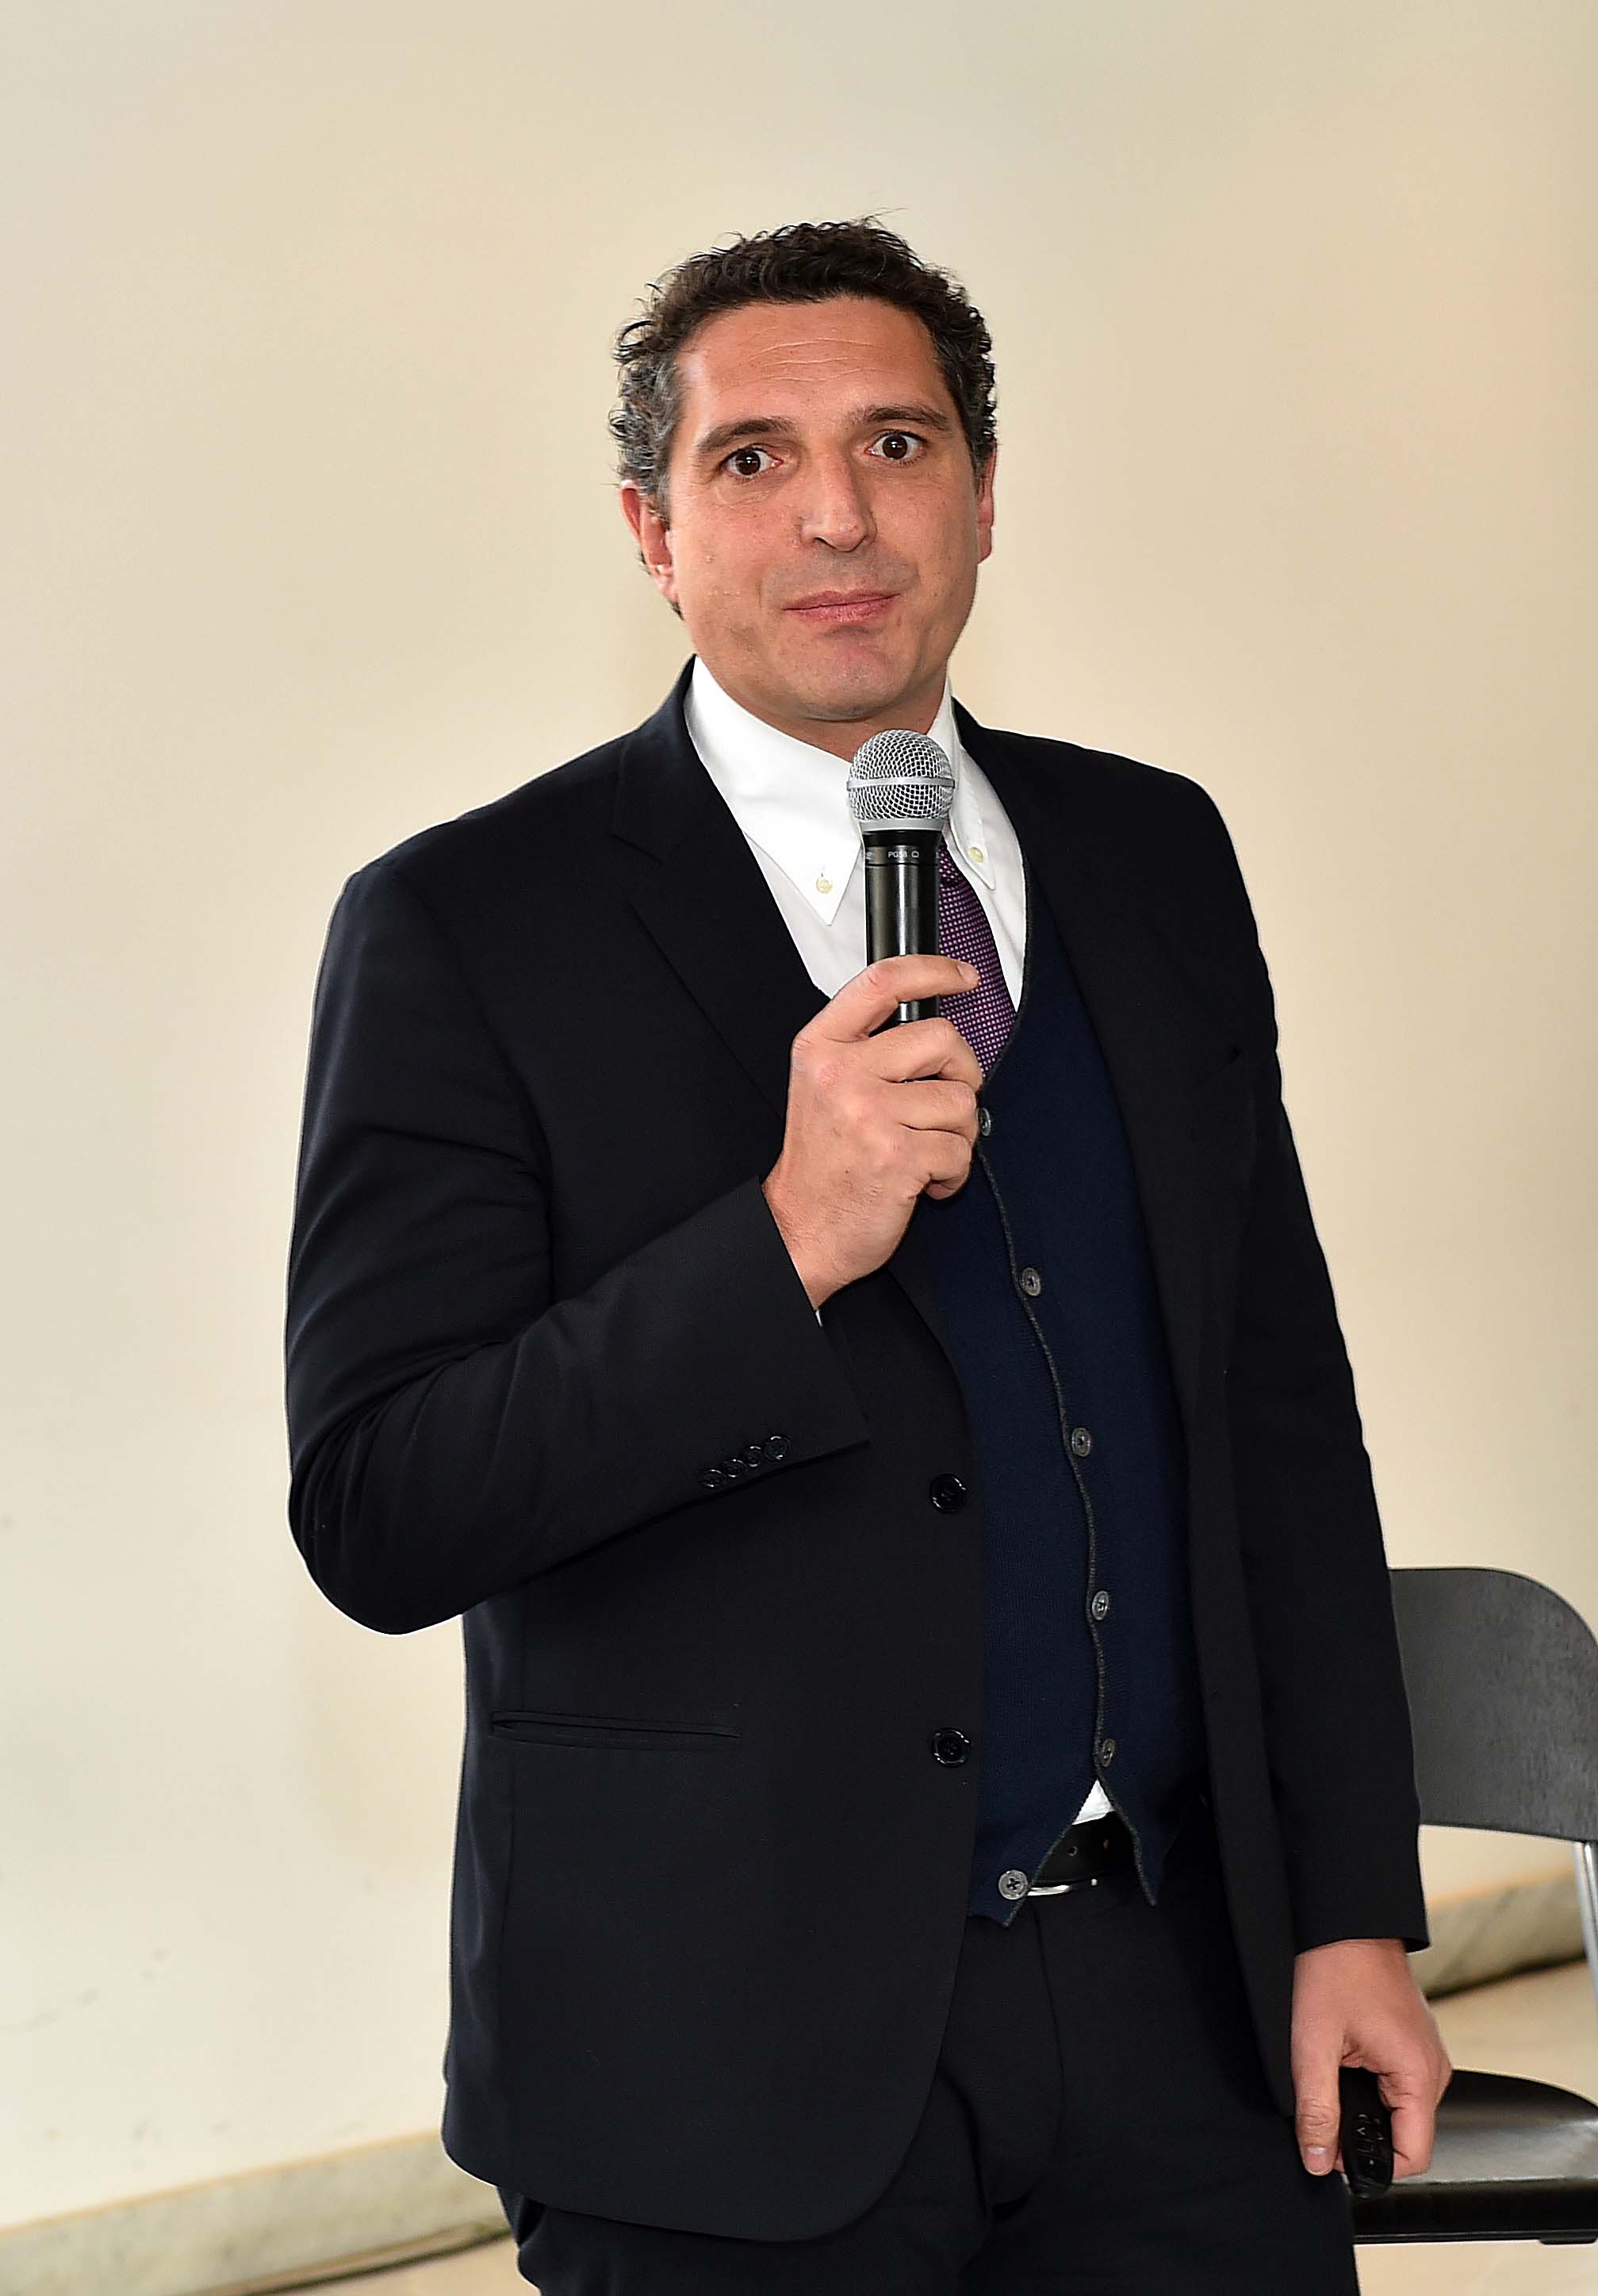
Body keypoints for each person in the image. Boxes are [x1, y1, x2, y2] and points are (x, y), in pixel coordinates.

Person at [283, 217, 1451, 2292]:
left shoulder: (1155, 854)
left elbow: (1278, 1413)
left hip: (1183, 2012)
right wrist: (779, 1249)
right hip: (717, 2062)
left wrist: (1350, 1906)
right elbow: (384, 1501)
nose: (837, 513)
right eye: (752, 459)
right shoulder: (466, 926)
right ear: (652, 532)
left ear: (984, 497)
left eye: (898, 444)